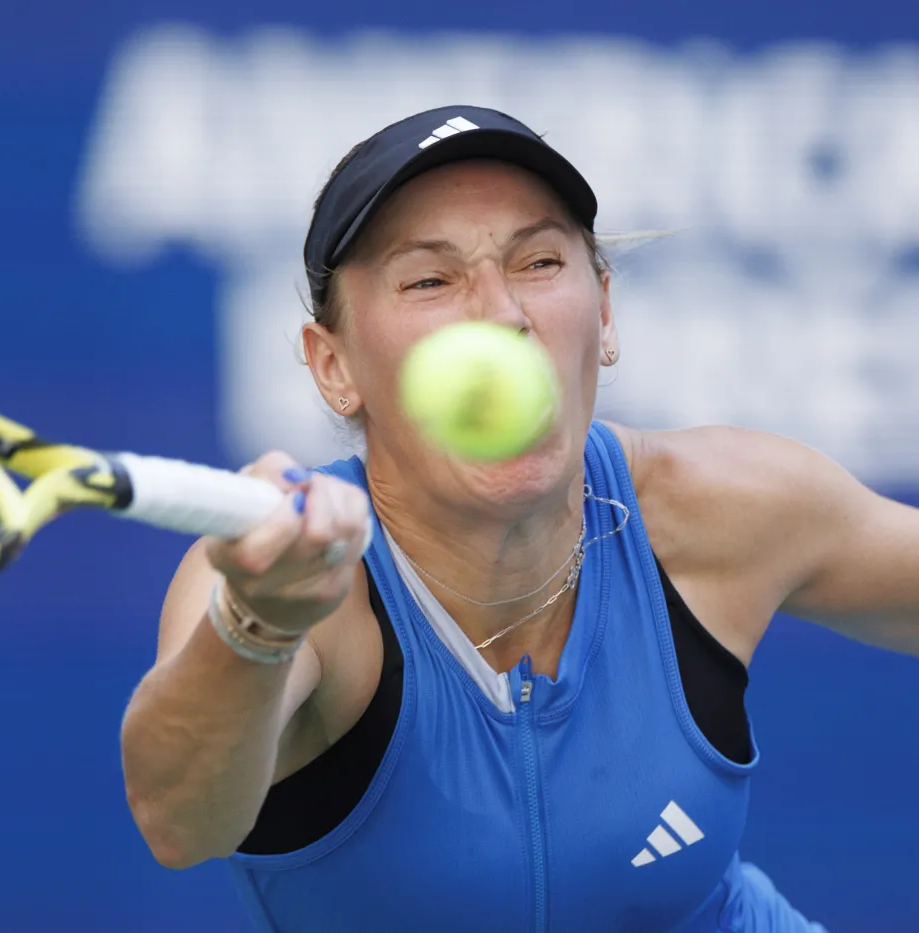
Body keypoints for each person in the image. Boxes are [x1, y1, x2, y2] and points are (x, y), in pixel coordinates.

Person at [118, 105, 918, 932]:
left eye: (538, 261)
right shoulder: (280, 581)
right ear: (335, 366)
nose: (501, 316)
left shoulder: (723, 506)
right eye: (430, 279)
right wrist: (259, 626)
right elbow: (178, 821)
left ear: (603, 312)